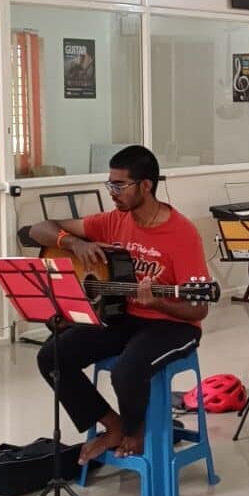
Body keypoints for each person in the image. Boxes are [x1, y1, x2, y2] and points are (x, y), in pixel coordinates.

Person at [29, 145, 209, 462]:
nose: (112, 193)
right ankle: (113, 425)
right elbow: (36, 229)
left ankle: (135, 430)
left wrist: (160, 303)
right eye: (109, 184)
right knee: (52, 356)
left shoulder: (182, 233)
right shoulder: (113, 221)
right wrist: (74, 243)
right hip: (124, 316)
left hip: (174, 325)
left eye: (119, 185)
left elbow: (199, 309)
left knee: (127, 370)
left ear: (146, 185)